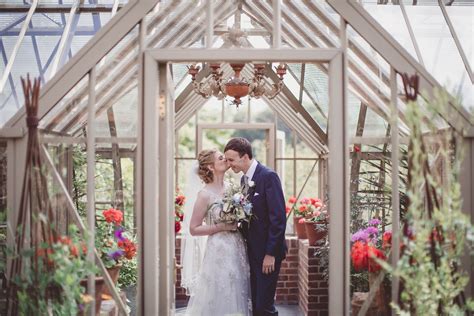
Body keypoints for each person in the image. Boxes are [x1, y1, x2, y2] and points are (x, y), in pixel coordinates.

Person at [182, 149, 251, 315]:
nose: (226, 159)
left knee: (238, 288)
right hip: (218, 250)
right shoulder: (204, 195)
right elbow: (194, 228)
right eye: (221, 158)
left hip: (237, 246)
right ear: (211, 167)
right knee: (221, 290)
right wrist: (221, 227)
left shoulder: (232, 188)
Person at [224, 137, 287, 316]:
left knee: (264, 307)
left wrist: (270, 254)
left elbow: (278, 219)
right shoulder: (244, 180)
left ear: (245, 157)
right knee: (255, 304)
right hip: (251, 252)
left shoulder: (268, 176)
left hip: (267, 254)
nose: (229, 164)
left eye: (231, 160)